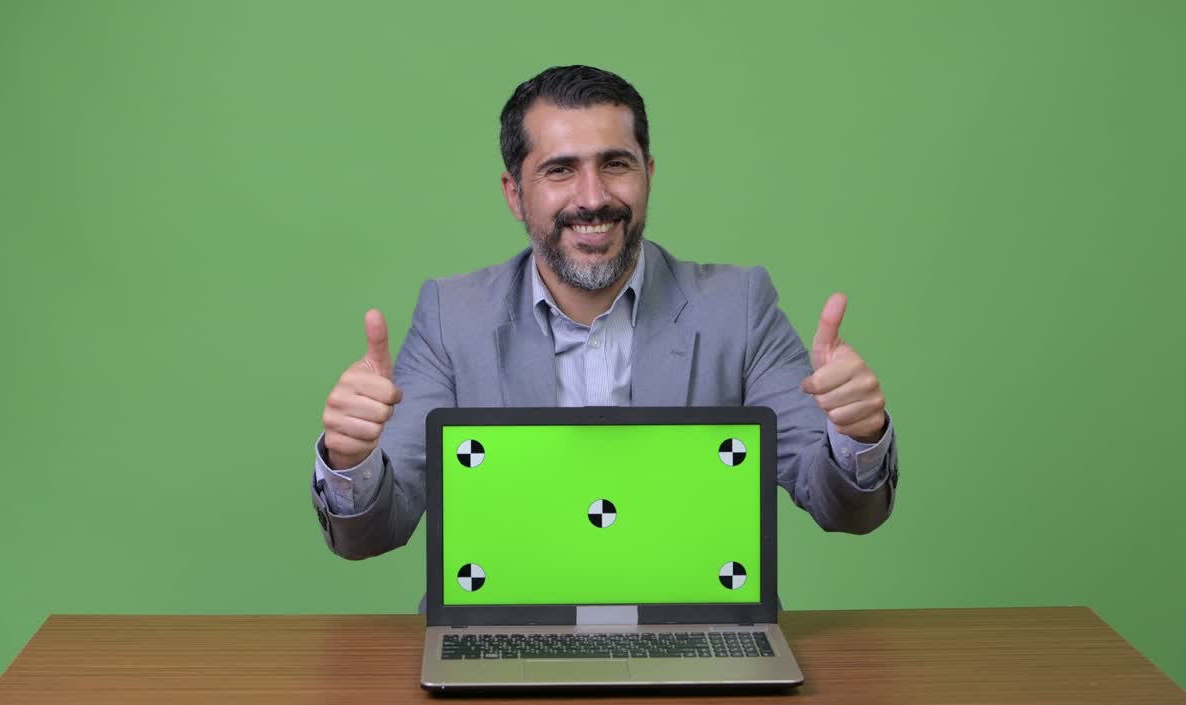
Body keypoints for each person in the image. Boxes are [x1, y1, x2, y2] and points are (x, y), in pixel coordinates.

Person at [310, 66, 899, 592]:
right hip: (497, 633)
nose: (593, 199)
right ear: (515, 194)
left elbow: (844, 509)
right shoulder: (450, 315)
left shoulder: (738, 306)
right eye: (559, 171)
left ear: (648, 172)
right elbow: (373, 534)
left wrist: (858, 435)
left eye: (615, 164)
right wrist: (350, 459)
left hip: (696, 633)